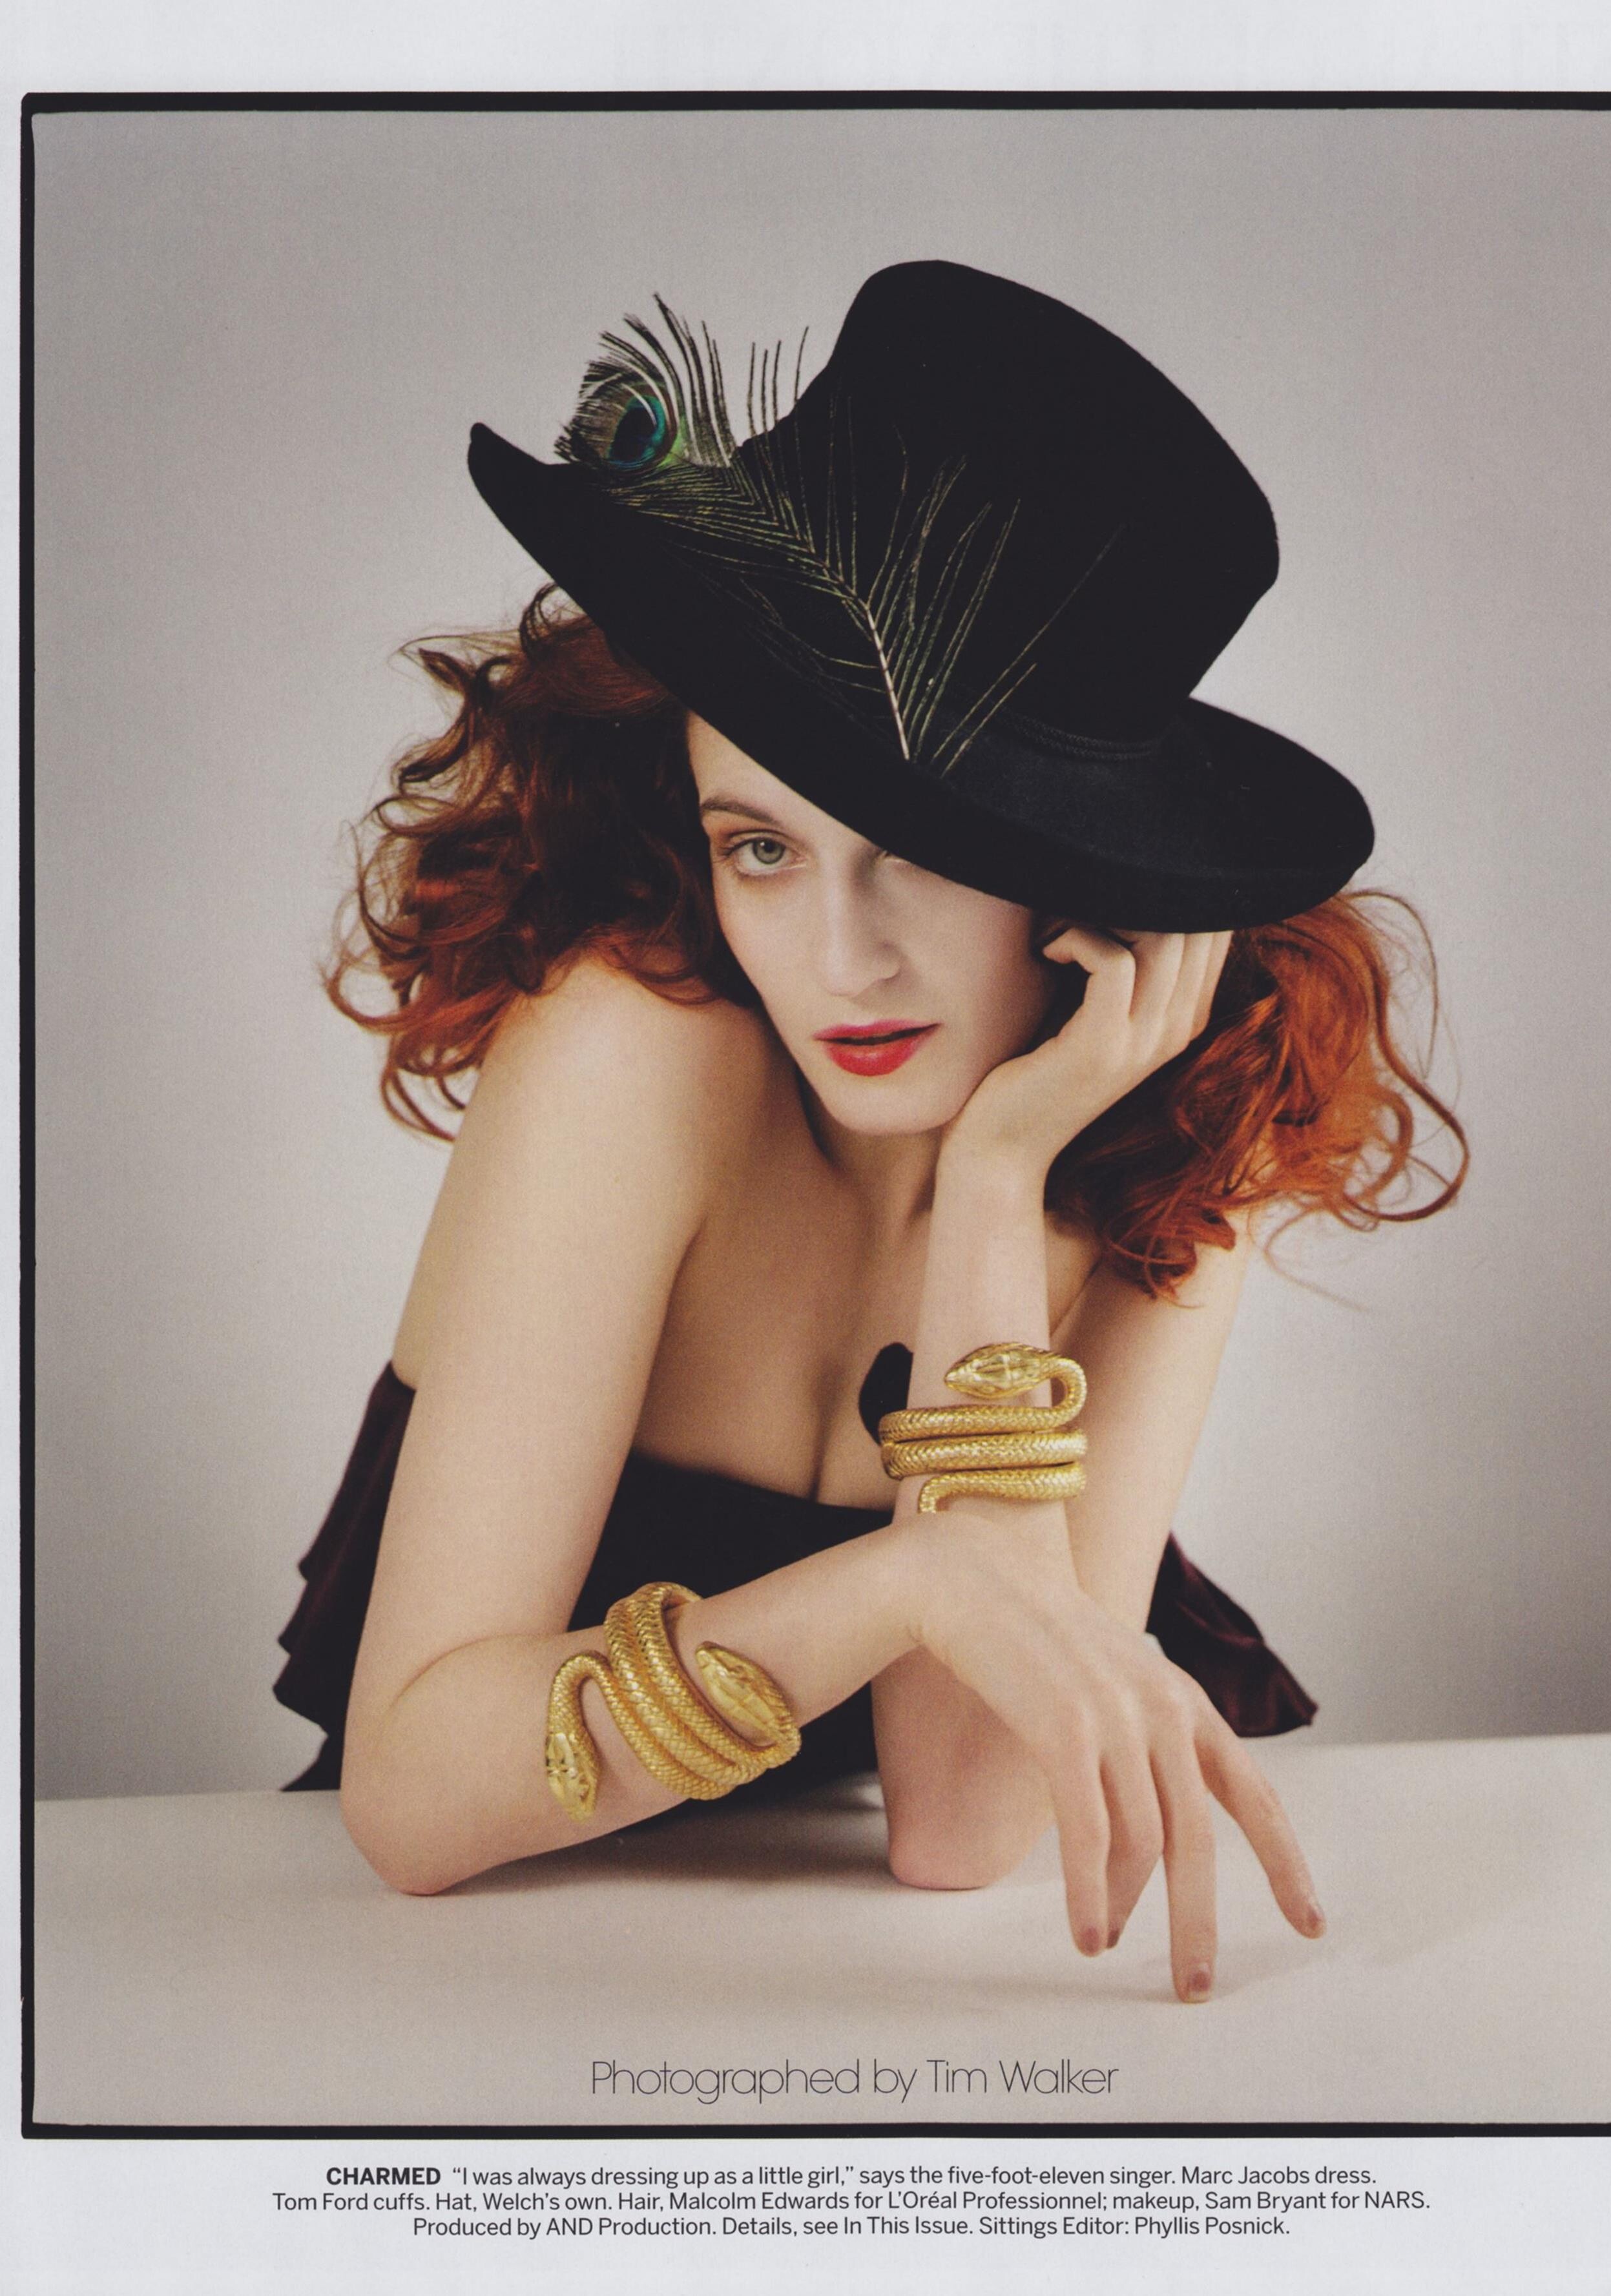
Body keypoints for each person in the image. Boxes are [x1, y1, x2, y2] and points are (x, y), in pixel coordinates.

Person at [275, 260, 1464, 2001]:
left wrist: (995, 1181)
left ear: (1087, 871)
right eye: (761, 846)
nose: (838, 959)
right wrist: (910, 1583)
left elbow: (963, 1826)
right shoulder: (632, 1055)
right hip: (474, 1985)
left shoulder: (1170, 1121)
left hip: (834, 1978)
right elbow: (410, 1795)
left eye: (919, 851)